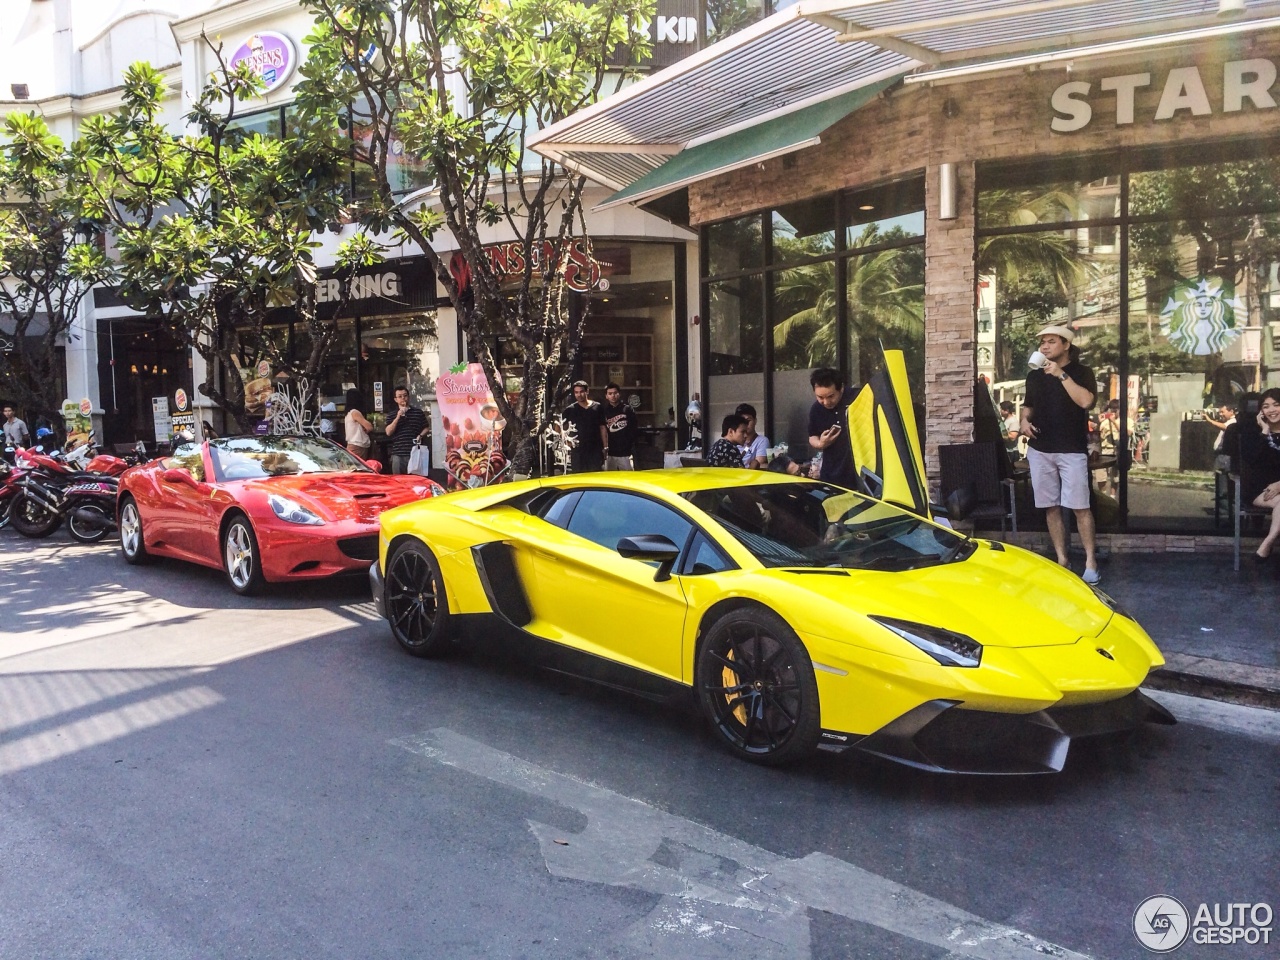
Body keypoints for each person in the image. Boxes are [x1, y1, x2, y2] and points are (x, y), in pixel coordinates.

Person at [1019, 324, 1101, 584]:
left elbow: (1086, 402)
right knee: (1050, 507)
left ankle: (1090, 562)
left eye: (1051, 341)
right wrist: (1023, 422)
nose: (1044, 346)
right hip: (1040, 449)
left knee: (1080, 507)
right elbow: (1028, 405)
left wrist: (1061, 375)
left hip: (1071, 450)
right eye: (1042, 342)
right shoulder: (1034, 376)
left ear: (1066, 345)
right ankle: (1062, 559)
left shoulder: (1082, 372)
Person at [1240, 388, 1280, 563]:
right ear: (1261, 411)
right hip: (1258, 489)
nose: (1271, 410)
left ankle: (1266, 544)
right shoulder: (1253, 432)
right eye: (1266, 406)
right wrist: (1264, 431)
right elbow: (1251, 460)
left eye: (1276, 405)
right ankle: (1267, 546)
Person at [807, 368, 858, 488]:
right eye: (820, 397)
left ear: (841, 388)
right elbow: (812, 435)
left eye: (831, 396)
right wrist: (821, 444)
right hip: (832, 474)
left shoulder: (857, 398)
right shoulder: (816, 409)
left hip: (860, 474)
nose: (826, 402)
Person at [562, 380, 606, 473]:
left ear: (587, 391)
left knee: (596, 476)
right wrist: (566, 441)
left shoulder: (597, 407)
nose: (579, 395)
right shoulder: (570, 410)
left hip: (595, 449)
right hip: (578, 451)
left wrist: (605, 446)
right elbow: (559, 427)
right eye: (576, 392)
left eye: (581, 391)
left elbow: (602, 427)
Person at [385, 386, 429, 474]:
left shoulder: (418, 412)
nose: (403, 398)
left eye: (405, 396)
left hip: (415, 452)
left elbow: (426, 428)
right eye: (400, 396)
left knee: (415, 480)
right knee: (398, 481)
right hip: (398, 453)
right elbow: (388, 432)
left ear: (408, 397)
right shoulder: (392, 414)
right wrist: (397, 417)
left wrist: (420, 435)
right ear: (395, 399)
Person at [602, 382, 638, 471]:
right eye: (610, 394)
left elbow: (633, 428)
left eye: (615, 393)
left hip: (625, 453)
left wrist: (629, 445)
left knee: (628, 479)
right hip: (610, 453)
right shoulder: (603, 412)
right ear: (606, 396)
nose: (613, 396)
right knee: (610, 480)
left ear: (619, 394)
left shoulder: (627, 409)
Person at [1206, 401, 1238, 472]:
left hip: (1224, 456)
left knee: (1222, 477)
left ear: (1231, 411)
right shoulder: (1227, 421)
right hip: (1220, 455)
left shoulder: (1233, 422)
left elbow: (1226, 427)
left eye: (1223, 412)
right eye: (1219, 412)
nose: (1221, 414)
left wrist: (1210, 421)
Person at [735, 403, 769, 468]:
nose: (746, 424)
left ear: (755, 421)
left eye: (748, 420)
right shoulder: (733, 441)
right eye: (742, 421)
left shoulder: (762, 441)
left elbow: (758, 465)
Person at [344, 389, 374, 460]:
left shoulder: (348, 413)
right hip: (358, 444)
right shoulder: (355, 412)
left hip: (352, 443)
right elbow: (369, 427)